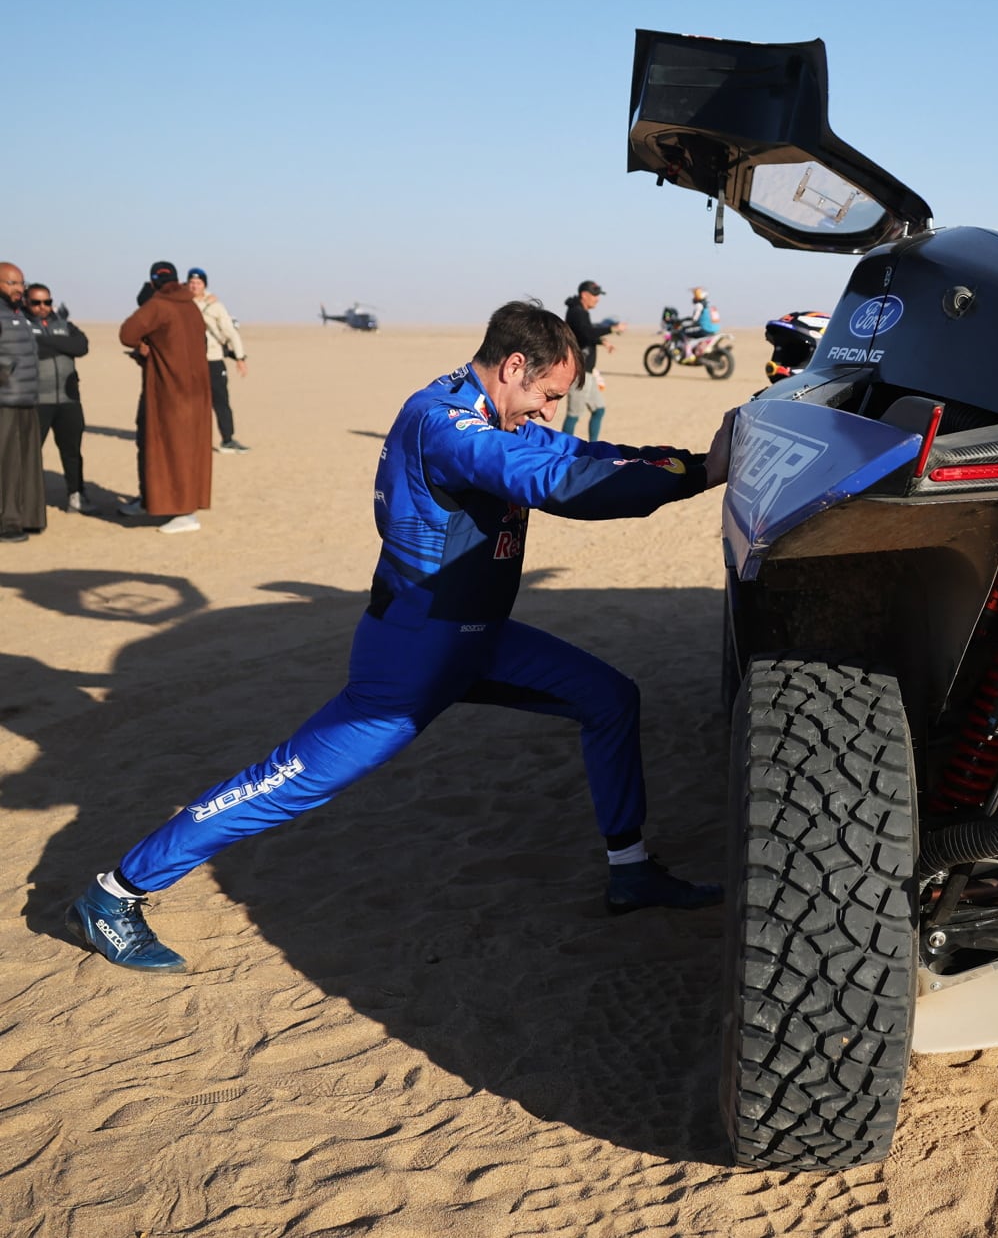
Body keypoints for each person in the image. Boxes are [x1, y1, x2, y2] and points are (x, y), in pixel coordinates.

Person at [67, 300, 736, 973]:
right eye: (549, 396)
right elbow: (555, 479)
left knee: (609, 697)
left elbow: (577, 451)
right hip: (411, 657)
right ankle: (114, 893)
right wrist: (700, 476)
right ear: (512, 367)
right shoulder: (442, 423)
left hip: (479, 640)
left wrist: (695, 464)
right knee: (286, 781)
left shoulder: (494, 413)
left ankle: (630, 869)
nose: (551, 413)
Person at [118, 261, 212, 534]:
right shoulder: (191, 306)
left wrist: (143, 344)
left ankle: (185, 512)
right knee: (164, 444)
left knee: (173, 447)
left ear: (152, 283)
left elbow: (127, 333)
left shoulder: (159, 305)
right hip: (195, 389)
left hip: (169, 390)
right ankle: (151, 499)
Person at [24, 283, 91, 513]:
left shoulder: (64, 324)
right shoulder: (20, 326)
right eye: (36, 303)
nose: (43, 307)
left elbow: (81, 346)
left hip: (68, 399)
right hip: (36, 401)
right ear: (26, 302)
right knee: (29, 453)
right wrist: (63, 347)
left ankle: (76, 495)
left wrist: (46, 342)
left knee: (72, 451)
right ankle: (24, 502)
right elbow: (28, 349)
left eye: (47, 302)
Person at [0, 263, 43, 544]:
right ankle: (6, 522)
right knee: (6, 462)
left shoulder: (18, 314)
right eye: (11, 283)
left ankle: (26, 517)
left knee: (26, 460)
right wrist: (7, 372)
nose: (18, 289)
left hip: (26, 397)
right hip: (6, 399)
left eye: (21, 284)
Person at [187, 268, 250, 453]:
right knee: (193, 403)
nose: (194, 286)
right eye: (191, 283)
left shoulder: (215, 306)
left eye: (198, 283)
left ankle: (227, 440)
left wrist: (240, 357)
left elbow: (231, 332)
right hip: (190, 361)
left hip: (213, 359)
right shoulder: (182, 303)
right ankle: (192, 441)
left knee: (221, 401)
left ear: (205, 284)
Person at [562, 279, 617, 442]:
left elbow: (584, 334)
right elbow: (586, 334)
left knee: (599, 409)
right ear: (584, 295)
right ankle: (563, 449)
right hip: (578, 372)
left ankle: (593, 446)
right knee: (573, 414)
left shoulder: (581, 312)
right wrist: (611, 329)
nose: (597, 298)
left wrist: (601, 341)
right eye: (594, 295)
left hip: (588, 372)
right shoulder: (576, 312)